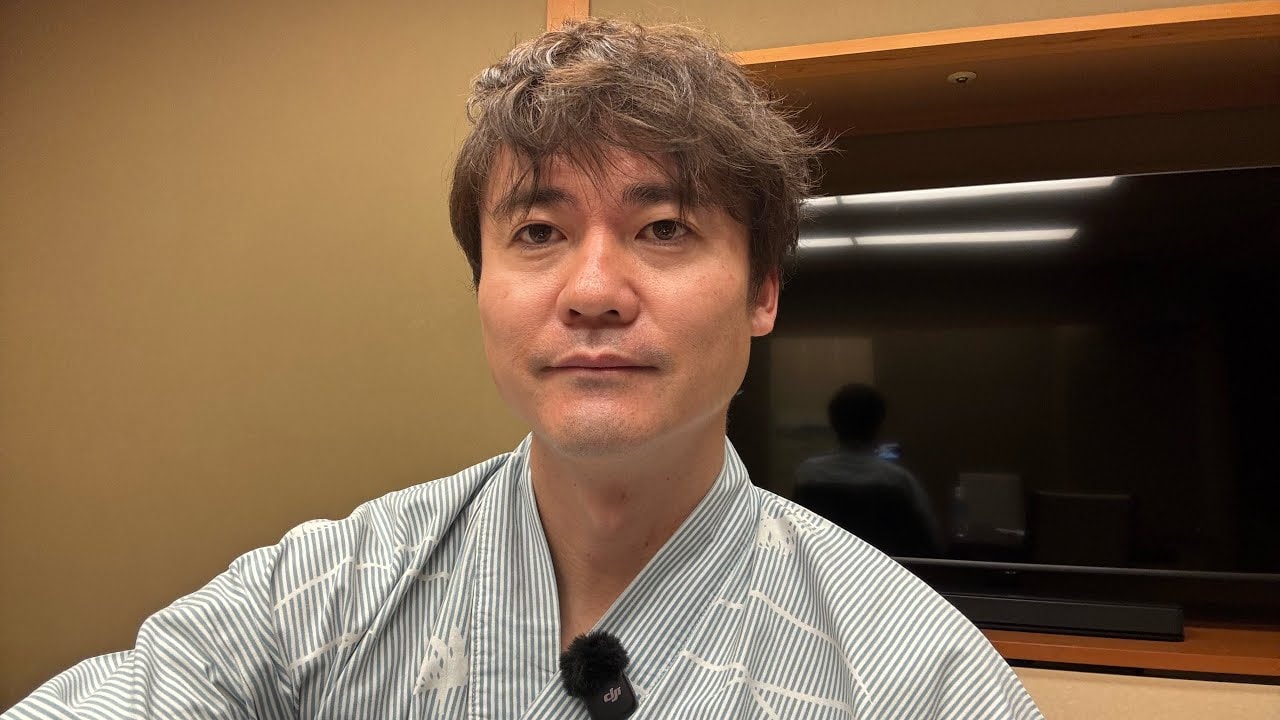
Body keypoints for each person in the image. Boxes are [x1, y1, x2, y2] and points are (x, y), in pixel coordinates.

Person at [4, 19, 1042, 719]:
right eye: (538, 232)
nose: (591, 290)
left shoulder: (915, 677)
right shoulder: (323, 597)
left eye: (664, 228)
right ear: (483, 286)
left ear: (762, 292)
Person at [794, 384, 946, 557]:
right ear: (879, 424)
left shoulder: (807, 474)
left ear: (833, 423)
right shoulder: (898, 481)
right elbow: (933, 541)